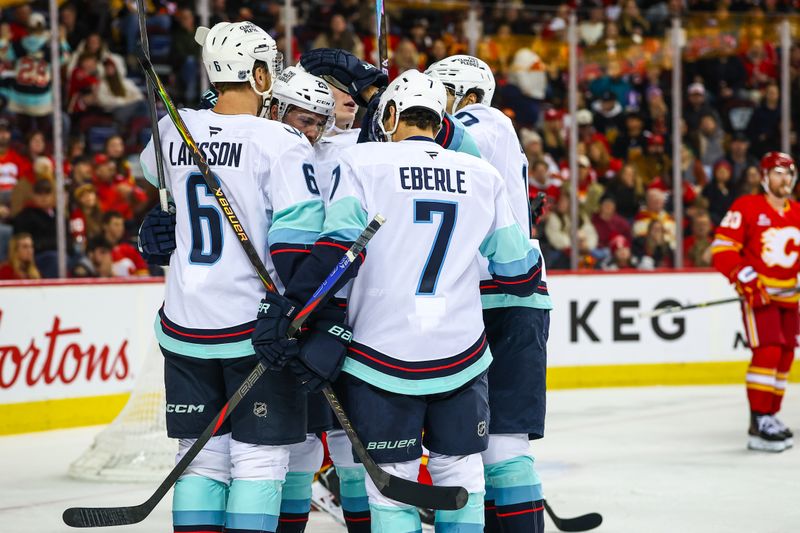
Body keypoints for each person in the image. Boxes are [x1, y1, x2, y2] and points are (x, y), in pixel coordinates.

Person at [254, 68, 542, 533]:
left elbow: (336, 256)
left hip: (380, 356)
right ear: (439, 119)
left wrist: (292, 308)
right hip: (462, 358)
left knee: (391, 485)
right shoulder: (482, 174)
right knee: (460, 476)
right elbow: (519, 274)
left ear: (390, 114)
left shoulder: (364, 163)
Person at [138, 21, 321, 533]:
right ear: (260, 73)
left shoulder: (175, 129)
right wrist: (299, 311)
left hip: (185, 324)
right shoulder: (280, 140)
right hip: (253, 328)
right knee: (259, 461)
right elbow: (297, 242)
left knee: (200, 459)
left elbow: (152, 174)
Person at [426, 55, 552, 532]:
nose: (432, 106)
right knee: (473, 448)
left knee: (502, 447)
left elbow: (448, 143)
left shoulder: (487, 120)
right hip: (485, 297)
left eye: (440, 93)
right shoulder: (488, 133)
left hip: (506, 298)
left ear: (467, 93)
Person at [711, 151, 800, 453]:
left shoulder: (797, 212)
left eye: (788, 172)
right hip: (760, 296)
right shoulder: (746, 207)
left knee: (785, 355)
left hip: (790, 299)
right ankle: (758, 420)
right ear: (764, 178)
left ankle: (771, 415)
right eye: (777, 172)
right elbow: (723, 249)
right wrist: (746, 279)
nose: (784, 178)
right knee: (768, 352)